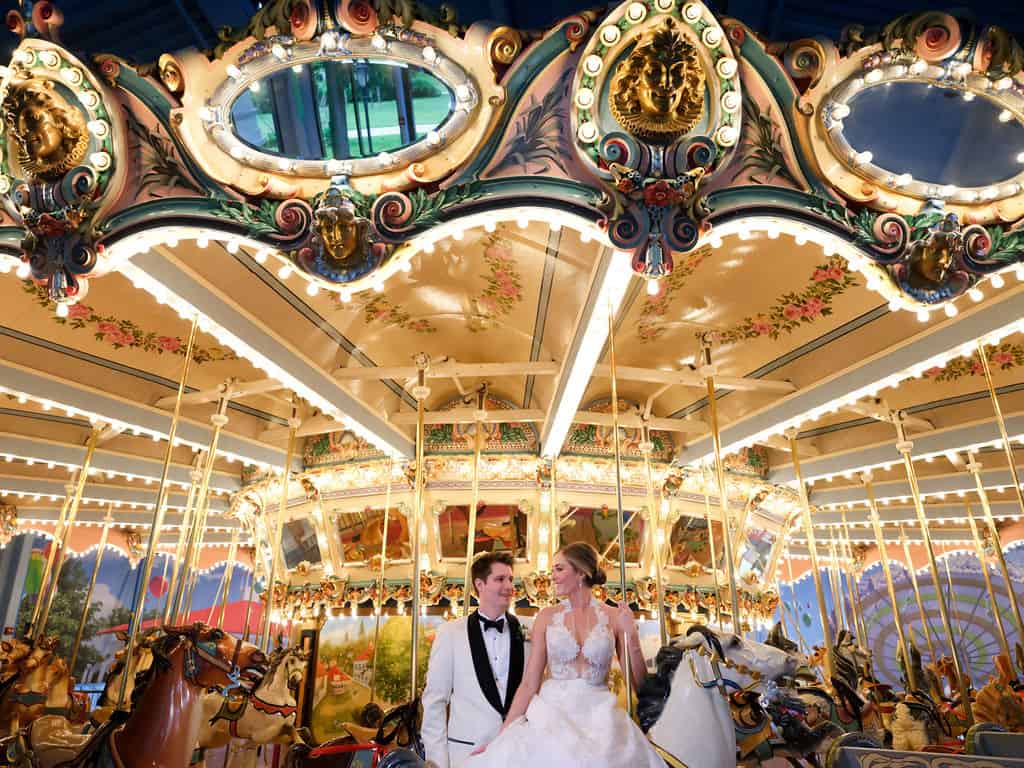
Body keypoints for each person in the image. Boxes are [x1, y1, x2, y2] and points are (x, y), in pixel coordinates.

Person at [465, 542, 663, 768]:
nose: (552, 577)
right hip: (552, 715)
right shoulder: (546, 617)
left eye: (559, 569)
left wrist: (632, 637)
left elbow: (640, 685)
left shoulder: (615, 617)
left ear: (580, 571)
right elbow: (529, 683)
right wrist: (501, 736)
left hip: (600, 719)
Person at [421, 551, 527, 768]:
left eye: (510, 579)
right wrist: (437, 762)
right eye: (500, 579)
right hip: (467, 754)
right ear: (479, 584)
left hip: (520, 751)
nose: (508, 586)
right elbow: (435, 701)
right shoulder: (450, 634)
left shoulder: (530, 630)